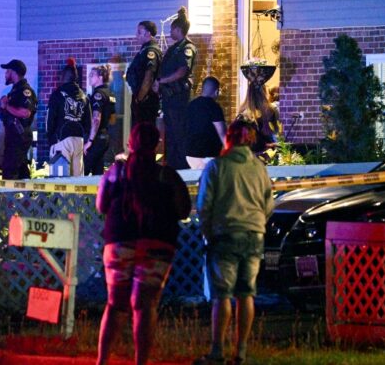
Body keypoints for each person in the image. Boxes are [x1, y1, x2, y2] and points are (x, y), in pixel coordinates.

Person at [96, 122, 191, 365]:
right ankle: (141, 362)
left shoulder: (117, 172)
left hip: (120, 242)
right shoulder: (166, 175)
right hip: (157, 244)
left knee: (115, 304)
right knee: (145, 305)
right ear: (156, 145)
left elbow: (101, 205)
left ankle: (102, 361)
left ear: (130, 143)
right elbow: (183, 210)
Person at [195, 120, 274, 365]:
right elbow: (268, 204)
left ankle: (217, 352)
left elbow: (204, 205)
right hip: (253, 236)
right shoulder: (259, 169)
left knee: (222, 295)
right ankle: (240, 353)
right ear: (251, 141)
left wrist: (208, 233)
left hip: (225, 235)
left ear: (228, 138)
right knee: (246, 294)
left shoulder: (217, 167)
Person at [158, 6, 197, 170]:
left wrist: (162, 81)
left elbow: (182, 71)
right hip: (169, 100)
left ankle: (181, 170)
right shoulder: (174, 48)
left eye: (171, 29)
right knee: (171, 137)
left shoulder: (187, 48)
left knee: (178, 136)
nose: (169, 33)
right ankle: (172, 167)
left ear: (178, 29)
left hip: (179, 100)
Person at [47, 58, 91, 177]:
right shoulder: (84, 96)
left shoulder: (57, 94)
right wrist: (85, 139)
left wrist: (51, 139)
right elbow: (89, 123)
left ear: (64, 77)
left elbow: (49, 120)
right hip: (79, 140)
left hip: (61, 139)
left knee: (59, 180)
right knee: (77, 181)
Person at [0, 59, 37, 179]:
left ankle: (10, 197)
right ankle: (25, 196)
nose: (5, 74)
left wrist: (6, 106)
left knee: (10, 171)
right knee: (20, 169)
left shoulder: (25, 91)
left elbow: (25, 112)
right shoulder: (14, 90)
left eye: (7, 71)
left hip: (19, 136)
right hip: (13, 136)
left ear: (13, 72)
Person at [126, 21, 163, 127]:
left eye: (139, 32)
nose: (136, 35)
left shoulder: (150, 51)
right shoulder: (144, 50)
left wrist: (140, 98)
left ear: (148, 33)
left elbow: (148, 77)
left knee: (143, 134)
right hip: (142, 98)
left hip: (146, 101)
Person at [185, 77, 226, 169]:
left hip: (190, 154)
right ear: (216, 91)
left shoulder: (191, 105)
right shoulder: (214, 107)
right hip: (207, 155)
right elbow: (222, 133)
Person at [85, 64, 117, 175]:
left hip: (96, 138)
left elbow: (96, 119)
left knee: (84, 168)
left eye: (92, 75)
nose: (89, 77)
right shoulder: (110, 94)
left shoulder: (98, 94)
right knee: (98, 170)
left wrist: (90, 141)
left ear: (100, 77)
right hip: (105, 137)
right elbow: (112, 119)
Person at [238, 82, 279, 155]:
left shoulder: (242, 114)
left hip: (248, 157)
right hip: (267, 155)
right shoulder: (270, 111)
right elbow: (274, 133)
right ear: (264, 93)